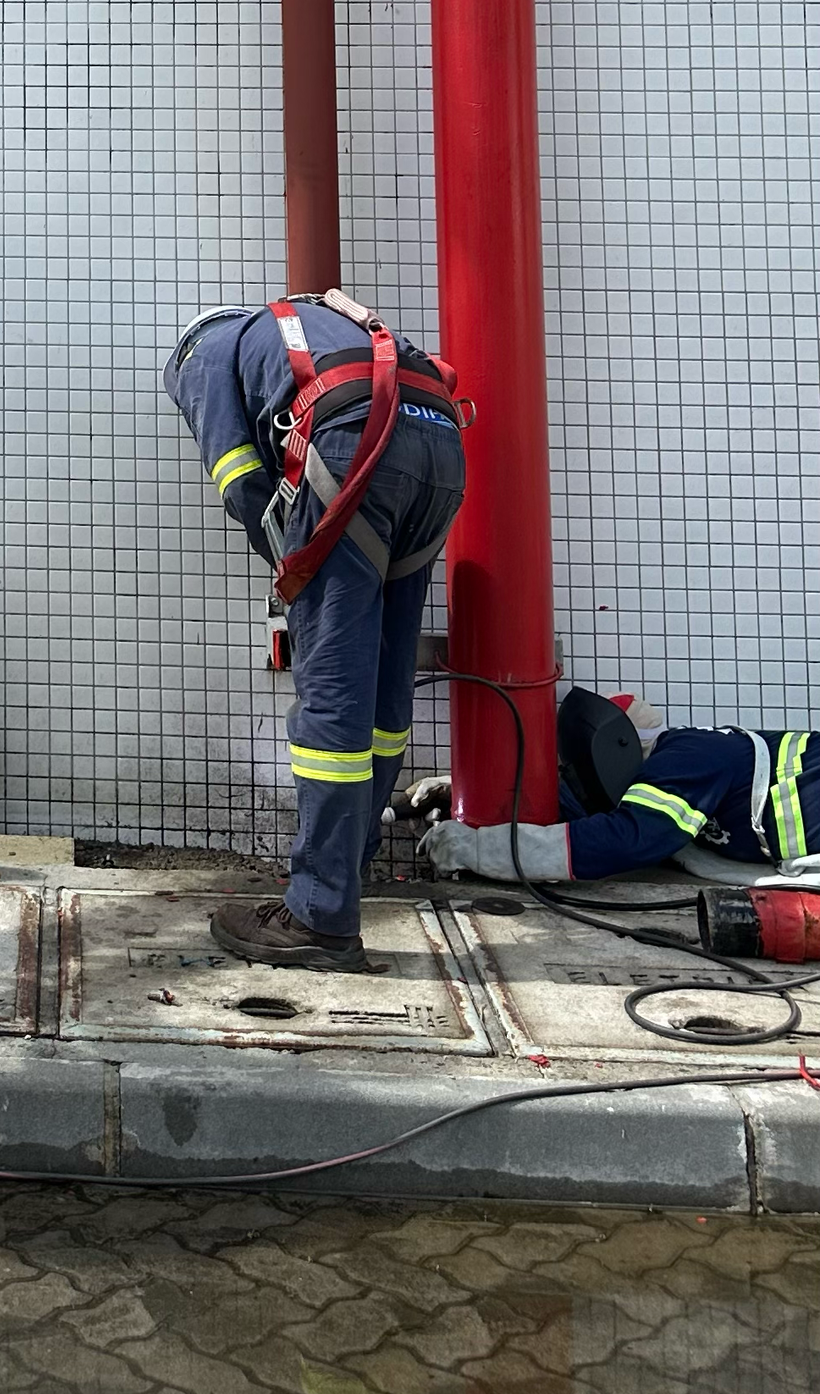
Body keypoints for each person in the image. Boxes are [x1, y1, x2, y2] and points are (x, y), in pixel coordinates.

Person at [164, 288, 467, 972]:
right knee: (385, 686)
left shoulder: (203, 357)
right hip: (438, 443)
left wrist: (297, 569)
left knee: (332, 692)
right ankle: (345, 871)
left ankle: (320, 915)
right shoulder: (297, 326)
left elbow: (242, 480)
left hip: (357, 440)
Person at [419, 684, 820, 881]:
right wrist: (471, 790)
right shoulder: (678, 771)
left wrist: (477, 848)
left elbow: (624, 838)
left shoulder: (685, 756)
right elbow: (578, 806)